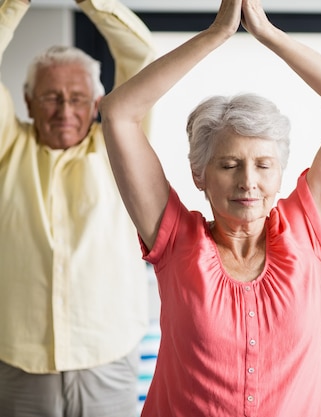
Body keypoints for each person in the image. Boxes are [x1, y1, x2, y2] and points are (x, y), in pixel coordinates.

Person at [98, 0, 321, 415]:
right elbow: (119, 114)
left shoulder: (303, 228)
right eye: (229, 165)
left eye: (263, 165)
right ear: (200, 175)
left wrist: (268, 34)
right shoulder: (175, 239)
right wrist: (216, 35)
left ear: (279, 173)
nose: (248, 181)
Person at [0, 0, 156, 416]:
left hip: (106, 352)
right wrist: (15, 4)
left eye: (77, 98)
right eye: (51, 97)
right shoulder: (6, 148)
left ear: (97, 104)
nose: (65, 111)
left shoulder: (120, 147)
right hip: (18, 358)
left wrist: (94, 2)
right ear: (28, 102)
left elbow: (141, 58)